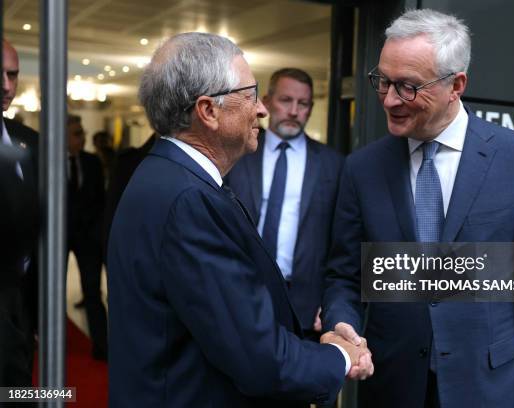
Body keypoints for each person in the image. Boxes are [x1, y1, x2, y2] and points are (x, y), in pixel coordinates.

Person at [106, 32, 373, 407]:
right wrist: (340, 355)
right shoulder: (189, 200)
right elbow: (259, 358)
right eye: (251, 95)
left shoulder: (166, 175)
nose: (261, 110)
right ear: (208, 111)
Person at [321, 9, 514, 408]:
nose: (389, 99)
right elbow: (343, 276)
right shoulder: (361, 168)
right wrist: (342, 322)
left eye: (407, 87)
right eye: (382, 81)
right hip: (390, 385)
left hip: (488, 388)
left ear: (456, 85)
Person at [225, 68, 344, 337]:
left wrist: (331, 305)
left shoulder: (333, 165)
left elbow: (341, 243)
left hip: (307, 305)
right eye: (285, 100)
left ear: (311, 109)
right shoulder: (237, 155)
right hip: (242, 295)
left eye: (303, 104)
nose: (293, 111)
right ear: (266, 102)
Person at [0, 39, 38, 387]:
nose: (7, 86)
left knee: (18, 394)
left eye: (13, 75)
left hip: (23, 308)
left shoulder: (31, 141)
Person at [66, 114, 108, 360]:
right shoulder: (48, 161)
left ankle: (101, 346)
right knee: (49, 293)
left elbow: (99, 201)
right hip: (57, 239)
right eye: (77, 133)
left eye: (82, 132)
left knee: (92, 293)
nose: (83, 138)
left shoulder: (92, 162)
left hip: (87, 240)